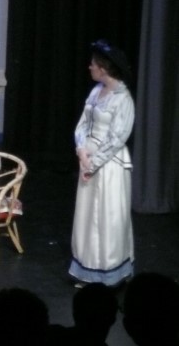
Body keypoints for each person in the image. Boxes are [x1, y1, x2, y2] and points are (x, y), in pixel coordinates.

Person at [69, 39, 135, 287]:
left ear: (104, 68)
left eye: (93, 64)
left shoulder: (122, 99)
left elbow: (118, 137)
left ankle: (109, 272)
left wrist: (93, 163)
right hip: (88, 158)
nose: (90, 67)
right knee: (87, 218)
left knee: (108, 217)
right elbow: (83, 124)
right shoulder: (96, 91)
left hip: (109, 165)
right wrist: (81, 151)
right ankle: (88, 271)